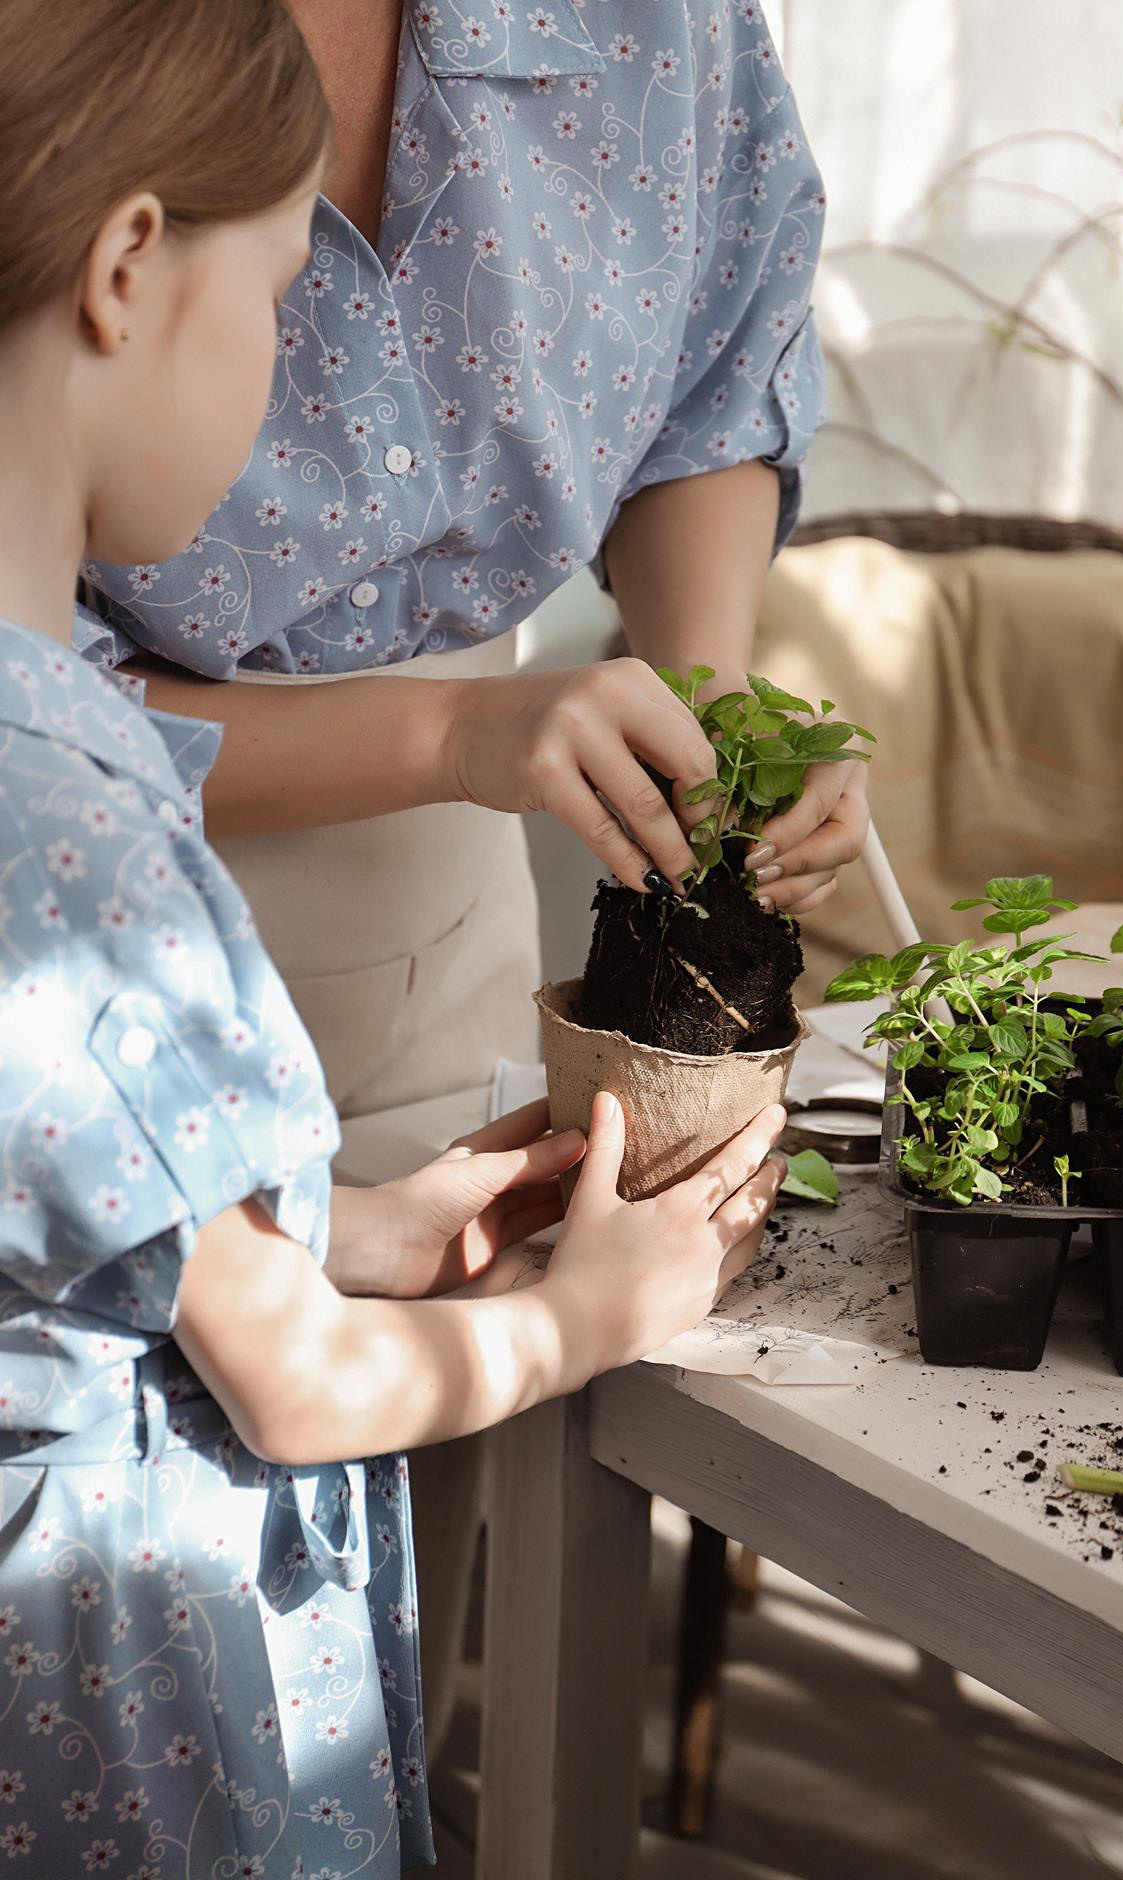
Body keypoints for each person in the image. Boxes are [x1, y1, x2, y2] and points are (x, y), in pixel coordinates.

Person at [0, 2, 788, 1871]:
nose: (296, 378)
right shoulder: (81, 816)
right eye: (283, 299)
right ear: (128, 268)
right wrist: (578, 1318)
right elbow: (291, 1387)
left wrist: (350, 1225)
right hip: (129, 1701)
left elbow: (79, 1232)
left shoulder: (57, 753)